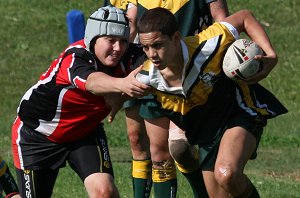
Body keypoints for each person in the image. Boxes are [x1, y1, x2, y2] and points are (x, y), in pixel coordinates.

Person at [135, 7, 287, 197]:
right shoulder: (146, 77)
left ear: (175, 38)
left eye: (158, 45)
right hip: (207, 133)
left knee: (226, 174)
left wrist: (271, 55)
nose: (151, 54)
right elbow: (97, 82)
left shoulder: (208, 43)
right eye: (145, 47)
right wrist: (116, 90)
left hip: (238, 111)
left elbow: (244, 16)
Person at [11, 5, 149, 198]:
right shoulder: (75, 57)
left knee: (104, 192)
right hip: (36, 134)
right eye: (110, 40)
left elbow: (154, 66)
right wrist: (122, 85)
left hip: (83, 131)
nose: (118, 48)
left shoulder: (129, 55)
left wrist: (124, 93)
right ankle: (9, 190)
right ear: (93, 38)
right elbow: (92, 82)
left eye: (123, 41)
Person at [104, 0, 230, 197]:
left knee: (179, 147)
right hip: (143, 68)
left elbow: (224, 20)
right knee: (149, 148)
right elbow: (122, 22)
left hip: (187, 69)